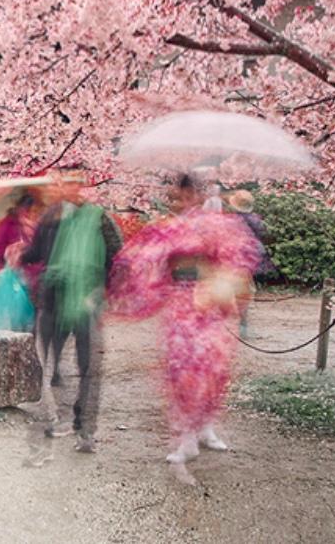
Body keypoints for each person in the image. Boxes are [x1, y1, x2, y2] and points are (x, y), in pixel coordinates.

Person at [110, 174, 261, 486]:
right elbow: (142, 259)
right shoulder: (166, 227)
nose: (175, 202)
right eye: (174, 197)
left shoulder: (217, 224)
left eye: (181, 196)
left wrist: (217, 269)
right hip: (181, 305)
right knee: (180, 368)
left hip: (209, 303)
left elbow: (243, 254)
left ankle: (205, 426)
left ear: (194, 194)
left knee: (212, 367)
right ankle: (186, 437)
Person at [19, 172, 122, 455]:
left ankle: (85, 430)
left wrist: (103, 289)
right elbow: (37, 252)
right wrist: (19, 254)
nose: (71, 188)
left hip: (87, 303)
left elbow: (118, 255)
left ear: (86, 187)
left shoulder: (99, 219)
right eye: (66, 182)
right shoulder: (52, 217)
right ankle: (60, 418)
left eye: (77, 182)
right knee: (49, 365)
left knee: (88, 367)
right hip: (53, 299)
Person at [226, 190, 272, 337]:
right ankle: (243, 325)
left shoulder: (231, 220)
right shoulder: (255, 220)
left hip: (232, 259)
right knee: (244, 293)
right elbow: (262, 234)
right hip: (248, 261)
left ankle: (237, 326)